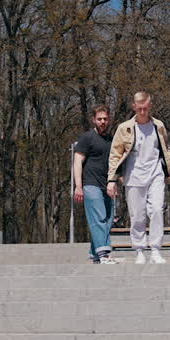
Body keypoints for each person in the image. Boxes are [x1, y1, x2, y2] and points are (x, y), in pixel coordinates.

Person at [107, 92, 170, 264]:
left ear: (150, 106)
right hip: (134, 176)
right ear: (134, 107)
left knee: (157, 210)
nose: (143, 112)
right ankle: (139, 250)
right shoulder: (125, 128)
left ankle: (156, 249)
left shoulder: (159, 126)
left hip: (155, 174)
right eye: (139, 108)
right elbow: (115, 154)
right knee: (137, 215)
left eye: (146, 108)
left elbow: (166, 149)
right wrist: (112, 179)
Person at [73, 105, 117, 264]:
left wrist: (117, 181)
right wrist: (78, 186)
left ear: (109, 119)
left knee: (109, 220)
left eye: (105, 119)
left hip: (107, 185)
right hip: (90, 184)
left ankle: (95, 254)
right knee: (98, 218)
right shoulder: (87, 138)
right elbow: (77, 161)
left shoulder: (112, 140)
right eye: (99, 119)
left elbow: (116, 163)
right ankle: (104, 254)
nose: (102, 122)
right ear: (94, 120)